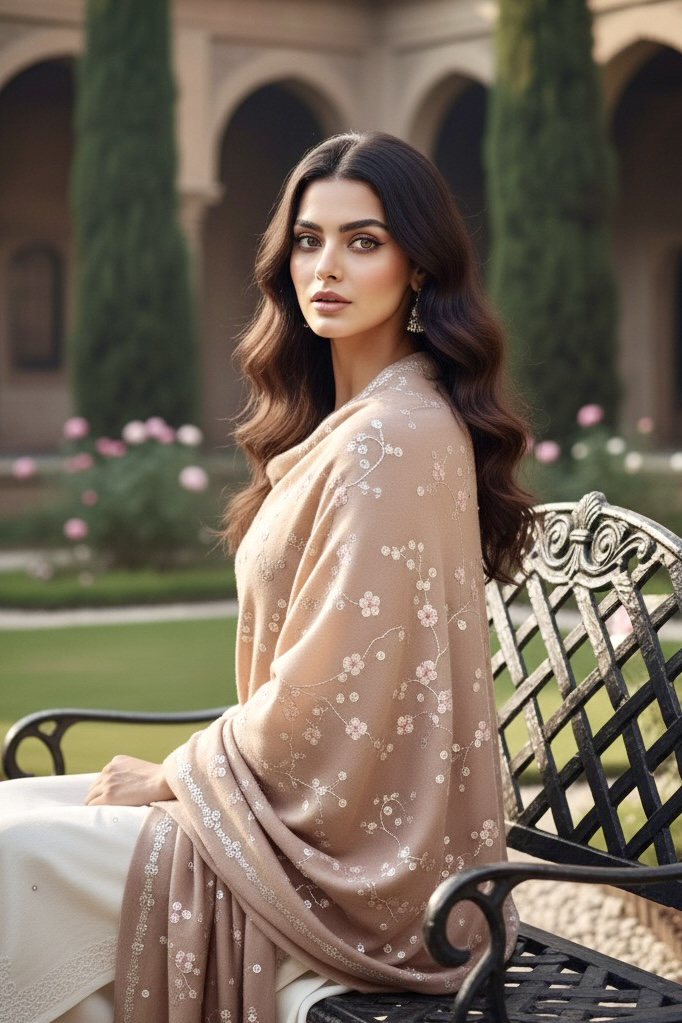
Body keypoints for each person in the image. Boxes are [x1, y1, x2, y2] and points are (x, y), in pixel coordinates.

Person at [0, 131, 533, 1023]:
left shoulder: (390, 440)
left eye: (363, 241)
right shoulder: (365, 421)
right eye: (308, 240)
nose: (326, 266)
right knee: (12, 814)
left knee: (14, 859)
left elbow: (331, 697)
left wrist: (175, 773)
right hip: (290, 813)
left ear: (419, 267)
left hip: (348, 869)